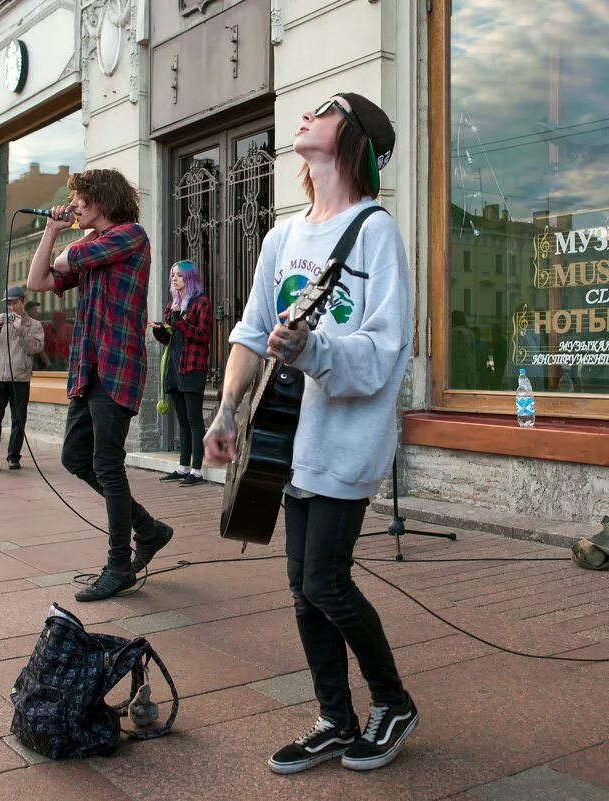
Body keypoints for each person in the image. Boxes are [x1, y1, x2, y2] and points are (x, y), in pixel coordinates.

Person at [204, 94, 418, 774]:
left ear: (352, 138)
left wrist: (313, 349)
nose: (305, 114)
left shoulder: (375, 232)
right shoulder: (281, 238)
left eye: (324, 110)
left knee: (325, 580)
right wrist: (225, 408)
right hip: (283, 443)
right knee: (301, 586)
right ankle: (334, 716)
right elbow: (248, 333)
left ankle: (393, 700)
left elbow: (385, 349)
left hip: (348, 441)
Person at [26, 167, 174, 602]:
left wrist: (64, 243)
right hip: (87, 369)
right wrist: (51, 230)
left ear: (103, 200)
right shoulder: (89, 244)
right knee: (76, 458)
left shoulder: (130, 236)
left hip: (117, 365)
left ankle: (119, 566)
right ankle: (148, 529)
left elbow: (63, 265)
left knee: (108, 466)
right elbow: (37, 281)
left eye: (80, 199)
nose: (74, 206)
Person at [150, 260, 213, 487]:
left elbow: (203, 336)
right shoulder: (173, 305)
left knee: (195, 420)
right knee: (182, 420)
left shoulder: (201, 303)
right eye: (172, 275)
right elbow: (170, 339)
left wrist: (179, 324)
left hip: (192, 368)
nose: (174, 279)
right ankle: (183, 466)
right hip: (174, 369)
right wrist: (160, 331)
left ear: (190, 278)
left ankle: (196, 470)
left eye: (178, 275)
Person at [0, 286, 45, 473]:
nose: (11, 307)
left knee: (18, 420)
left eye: (14, 303)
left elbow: (35, 348)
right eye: (8, 304)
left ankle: (14, 457)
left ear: (22, 301)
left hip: (20, 379)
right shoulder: (0, 321)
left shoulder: (34, 325)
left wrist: (21, 329)